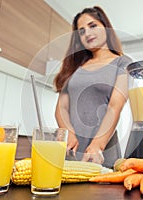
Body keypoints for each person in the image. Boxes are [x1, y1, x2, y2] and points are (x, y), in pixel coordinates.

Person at [53, 6, 131, 168]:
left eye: (93, 26)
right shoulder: (74, 66)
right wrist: (69, 133)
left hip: (102, 153)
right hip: (71, 152)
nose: (87, 33)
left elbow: (115, 106)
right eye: (81, 31)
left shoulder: (122, 62)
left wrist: (97, 145)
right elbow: (61, 107)